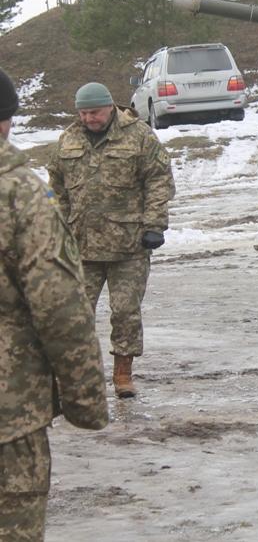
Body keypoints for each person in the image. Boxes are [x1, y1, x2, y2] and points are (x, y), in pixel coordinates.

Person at [1, 67, 109, 539]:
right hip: (8, 417)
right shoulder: (18, 195)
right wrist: (86, 404)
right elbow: (60, 309)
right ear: (5, 121)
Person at [47, 82, 176, 399]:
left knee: (125, 312)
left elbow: (159, 180)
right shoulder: (68, 139)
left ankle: (123, 375)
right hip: (81, 245)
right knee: (74, 315)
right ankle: (76, 378)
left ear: (110, 107)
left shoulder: (139, 135)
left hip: (129, 244)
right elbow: (56, 188)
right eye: (83, 113)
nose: (89, 118)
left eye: (94, 112)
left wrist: (155, 225)